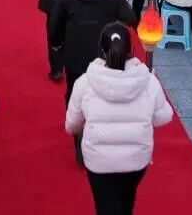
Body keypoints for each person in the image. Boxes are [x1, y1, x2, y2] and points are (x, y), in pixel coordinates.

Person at [65, 22, 173, 215]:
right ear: (130, 49)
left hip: (98, 160)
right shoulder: (148, 80)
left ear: (101, 50)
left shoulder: (85, 82)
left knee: (104, 205)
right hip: (136, 159)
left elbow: (71, 125)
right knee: (127, 199)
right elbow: (163, 117)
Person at [49, 0, 137, 163]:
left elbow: (55, 20)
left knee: (75, 92)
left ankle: (79, 134)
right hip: (104, 53)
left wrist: (56, 42)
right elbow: (130, 18)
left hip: (75, 50)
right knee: (103, 94)